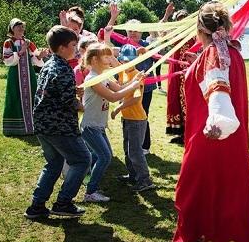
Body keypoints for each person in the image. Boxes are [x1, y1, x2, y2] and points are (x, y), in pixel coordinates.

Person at [173, 1, 249, 242]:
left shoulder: (213, 53)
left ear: (200, 29)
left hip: (212, 137)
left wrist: (218, 123)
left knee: (198, 194)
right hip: (233, 141)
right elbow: (216, 77)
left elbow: (218, 90)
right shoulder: (231, 52)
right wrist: (196, 63)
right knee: (229, 194)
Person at [24, 26, 90, 219]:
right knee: (82, 160)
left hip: (43, 125)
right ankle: (63, 202)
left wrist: (72, 90)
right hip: (58, 126)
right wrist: (81, 104)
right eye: (72, 45)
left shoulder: (49, 65)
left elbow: (53, 92)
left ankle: (37, 206)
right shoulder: (63, 70)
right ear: (62, 48)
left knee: (53, 163)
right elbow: (68, 102)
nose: (76, 48)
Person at [81, 43, 144, 202]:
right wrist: (134, 85)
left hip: (99, 126)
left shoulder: (105, 77)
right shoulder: (93, 79)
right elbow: (114, 97)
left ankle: (89, 181)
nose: (111, 59)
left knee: (98, 156)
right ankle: (90, 192)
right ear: (95, 60)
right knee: (105, 157)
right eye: (107, 56)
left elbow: (119, 88)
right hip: (90, 126)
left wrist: (135, 80)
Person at [112, 44, 155, 192]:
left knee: (135, 151)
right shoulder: (123, 72)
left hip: (137, 119)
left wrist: (119, 107)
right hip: (127, 118)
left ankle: (145, 180)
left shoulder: (137, 76)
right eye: (124, 60)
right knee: (127, 149)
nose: (127, 63)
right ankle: (133, 175)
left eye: (130, 60)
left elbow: (136, 99)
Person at [2, 18, 47, 136]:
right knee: (15, 96)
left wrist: (40, 55)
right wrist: (21, 51)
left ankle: (33, 126)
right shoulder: (8, 42)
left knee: (32, 95)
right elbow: (8, 60)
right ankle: (15, 128)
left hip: (29, 74)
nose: (21, 29)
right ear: (12, 29)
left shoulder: (28, 42)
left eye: (22, 27)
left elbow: (34, 56)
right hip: (15, 75)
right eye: (19, 26)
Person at [165, 8, 197, 144]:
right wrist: (166, 15)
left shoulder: (194, 35)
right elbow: (161, 33)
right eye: (179, 19)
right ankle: (179, 132)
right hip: (175, 69)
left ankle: (188, 132)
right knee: (174, 99)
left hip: (187, 70)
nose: (182, 21)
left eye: (184, 19)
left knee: (186, 100)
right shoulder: (175, 34)